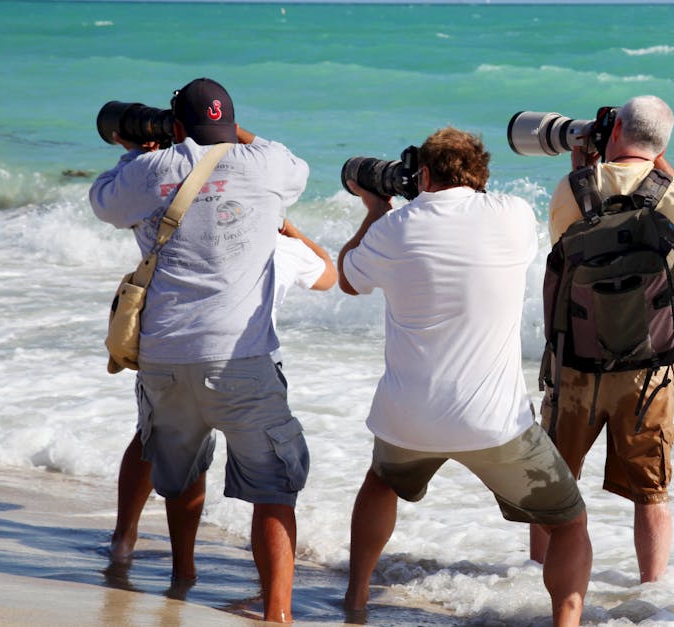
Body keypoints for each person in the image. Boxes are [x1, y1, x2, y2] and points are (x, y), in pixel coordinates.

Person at [336, 127, 591, 626]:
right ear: (481, 175)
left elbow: (347, 278)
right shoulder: (514, 215)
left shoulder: (395, 227)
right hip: (493, 422)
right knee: (568, 521)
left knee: (381, 484)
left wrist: (375, 209)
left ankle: (357, 597)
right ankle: (567, 622)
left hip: (409, 417)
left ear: (423, 173)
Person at [90, 77, 313, 623]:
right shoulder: (268, 163)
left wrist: (133, 152)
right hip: (244, 356)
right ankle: (278, 612)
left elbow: (103, 203)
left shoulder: (150, 171)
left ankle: (182, 574)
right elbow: (293, 165)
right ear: (233, 124)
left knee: (181, 471)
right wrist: (229, 131)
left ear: (177, 125)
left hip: (167, 355)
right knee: (273, 488)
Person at [528, 94, 674, 584]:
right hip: (648, 369)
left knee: (553, 486)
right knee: (652, 493)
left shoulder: (574, 187)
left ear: (616, 127)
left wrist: (584, 166)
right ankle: (651, 593)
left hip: (575, 362)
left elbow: (561, 241)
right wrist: (660, 161)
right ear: (664, 142)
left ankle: (534, 579)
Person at [110, 218, 336, 564]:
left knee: (159, 442)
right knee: (271, 482)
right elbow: (328, 276)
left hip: (171, 355)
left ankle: (147, 550)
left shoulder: (193, 237)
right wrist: (292, 230)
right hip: (248, 366)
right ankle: (274, 603)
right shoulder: (284, 248)